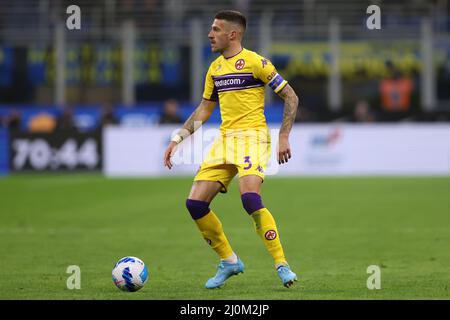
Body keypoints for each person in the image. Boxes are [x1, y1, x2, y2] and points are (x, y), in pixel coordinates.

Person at [163, 10, 299, 289]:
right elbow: (204, 109)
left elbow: (290, 96)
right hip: (225, 141)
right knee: (195, 204)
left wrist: (284, 136)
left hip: (253, 137)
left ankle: (281, 263)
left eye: (215, 29)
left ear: (232, 34)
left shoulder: (256, 63)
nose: (210, 34)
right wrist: (178, 138)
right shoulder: (214, 69)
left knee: (249, 199)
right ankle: (229, 260)